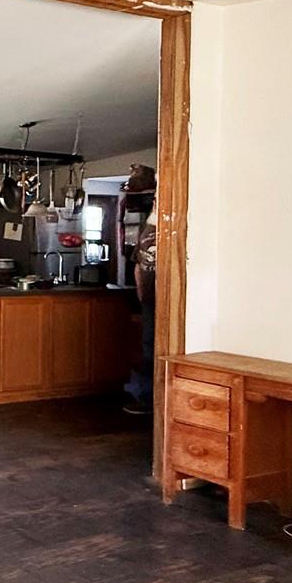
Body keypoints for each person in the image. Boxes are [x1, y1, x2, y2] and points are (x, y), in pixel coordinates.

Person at [120, 165, 157, 415]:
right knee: (148, 348)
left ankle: (151, 400)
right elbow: (137, 263)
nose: (154, 203)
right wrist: (142, 293)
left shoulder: (171, 228)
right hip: (149, 299)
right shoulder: (148, 231)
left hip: (165, 300)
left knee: (154, 349)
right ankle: (146, 398)